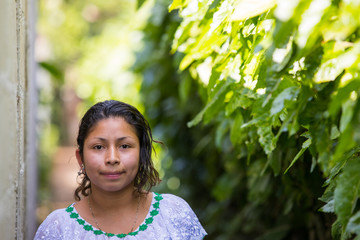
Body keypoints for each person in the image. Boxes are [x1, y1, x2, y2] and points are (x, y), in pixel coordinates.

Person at [34, 100, 207, 240]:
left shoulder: (173, 213)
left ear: (142, 153)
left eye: (124, 145)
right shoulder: (58, 229)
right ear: (81, 159)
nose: (112, 158)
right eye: (98, 147)